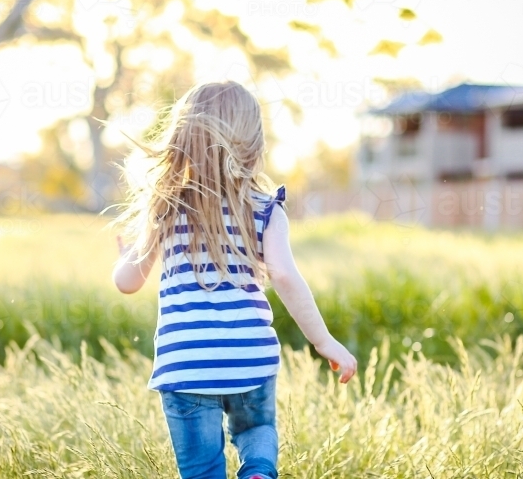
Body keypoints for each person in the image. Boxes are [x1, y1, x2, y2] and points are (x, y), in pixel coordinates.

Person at [111, 80, 357, 479]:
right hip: (250, 358)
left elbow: (128, 282)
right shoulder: (266, 209)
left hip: (186, 365)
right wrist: (323, 341)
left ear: (182, 138)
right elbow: (284, 275)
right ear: (254, 144)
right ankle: (258, 472)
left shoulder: (166, 205)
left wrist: (126, 258)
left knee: (203, 470)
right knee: (257, 429)